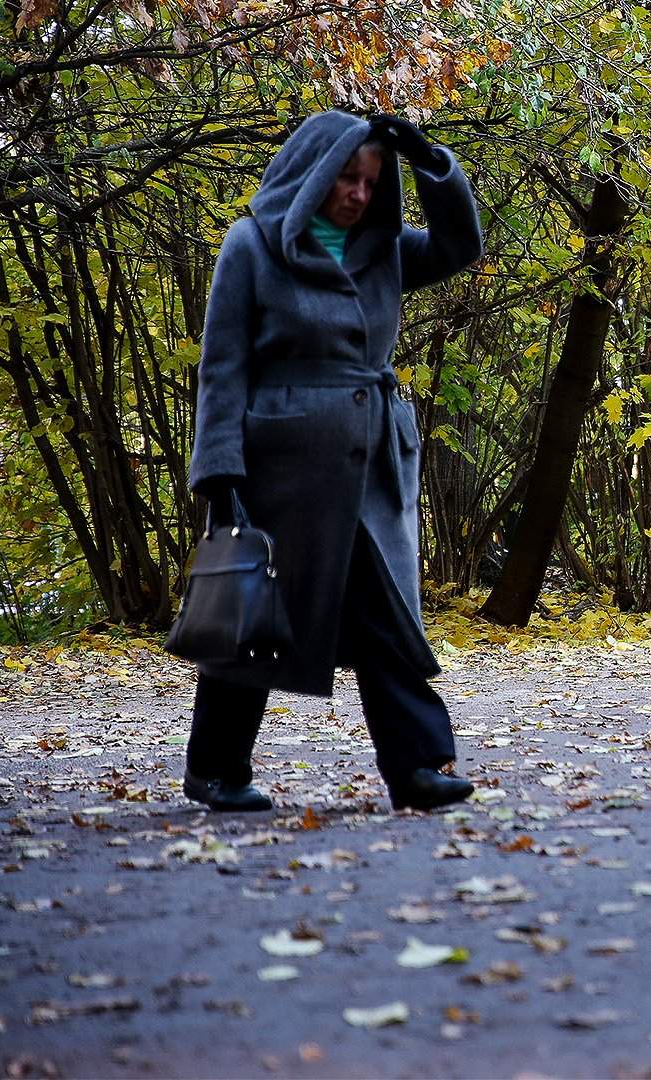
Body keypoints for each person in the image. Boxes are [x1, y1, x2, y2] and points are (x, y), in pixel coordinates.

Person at [182, 110, 484, 812]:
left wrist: (431, 160)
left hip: (373, 465)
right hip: (282, 471)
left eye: (372, 181)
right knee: (253, 616)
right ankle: (216, 769)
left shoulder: (383, 248)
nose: (358, 194)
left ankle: (415, 767)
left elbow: (460, 245)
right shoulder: (252, 246)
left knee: (386, 616)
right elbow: (221, 369)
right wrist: (219, 476)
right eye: (347, 177)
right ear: (316, 173)